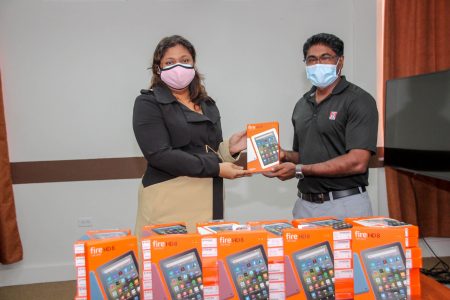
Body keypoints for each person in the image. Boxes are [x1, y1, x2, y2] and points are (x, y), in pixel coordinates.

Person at [133, 35, 248, 236]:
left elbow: (208, 150)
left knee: (208, 263)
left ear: (193, 64)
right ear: (158, 69)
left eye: (185, 60)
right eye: (170, 62)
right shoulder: (148, 103)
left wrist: (230, 148)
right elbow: (159, 154)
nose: (179, 67)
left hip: (209, 199)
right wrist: (217, 168)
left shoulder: (207, 103)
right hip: (169, 202)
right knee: (170, 264)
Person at [265, 33, 378, 219]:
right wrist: (285, 156)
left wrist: (299, 169)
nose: (318, 64)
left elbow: (358, 161)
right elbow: (306, 156)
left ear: (340, 61)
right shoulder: (302, 104)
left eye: (325, 57)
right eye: (311, 59)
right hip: (304, 205)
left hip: (345, 205)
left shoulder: (358, 100)